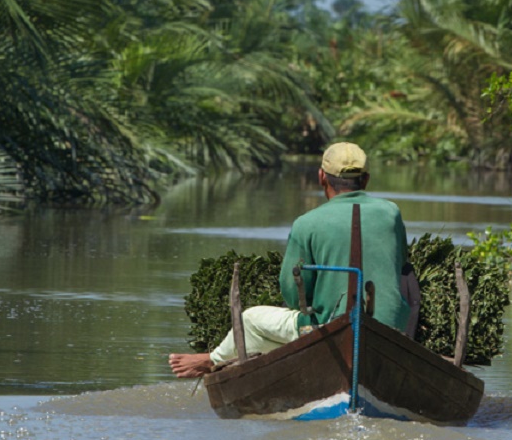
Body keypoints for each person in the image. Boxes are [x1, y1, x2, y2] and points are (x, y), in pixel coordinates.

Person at [168, 142, 411, 379]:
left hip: (329, 326)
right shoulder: (391, 213)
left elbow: (294, 295)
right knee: (261, 339)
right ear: (365, 179)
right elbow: (400, 266)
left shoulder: (307, 223)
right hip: (388, 326)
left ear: (321, 177)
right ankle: (215, 358)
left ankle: (212, 360)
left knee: (250, 320)